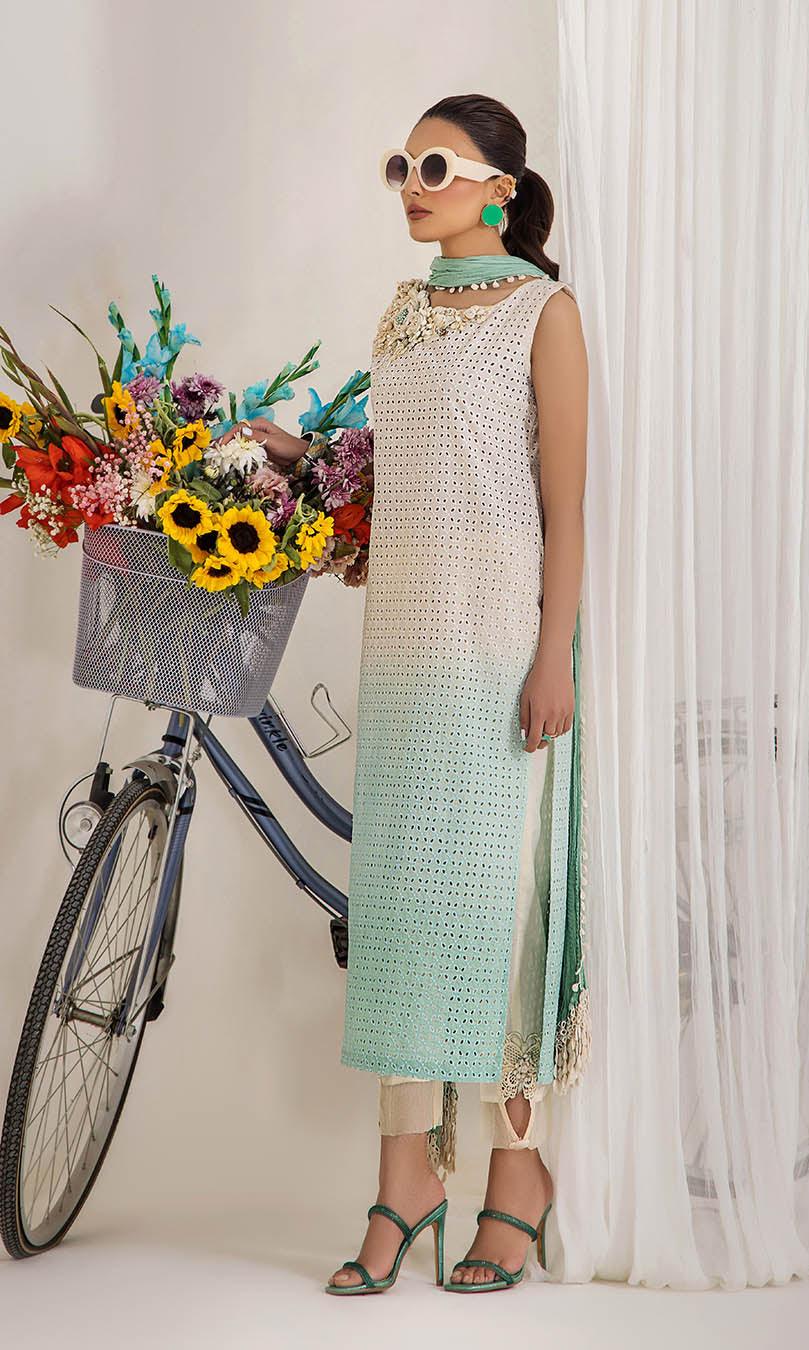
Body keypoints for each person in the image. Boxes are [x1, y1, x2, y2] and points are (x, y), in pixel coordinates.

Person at [229, 93, 589, 1294]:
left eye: (435, 166)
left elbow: (566, 504)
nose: (412, 187)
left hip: (500, 646)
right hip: (404, 648)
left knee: (497, 911)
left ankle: (518, 1175)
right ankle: (407, 1181)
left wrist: (555, 653)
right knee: (398, 915)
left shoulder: (545, 313)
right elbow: (411, 475)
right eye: (402, 166)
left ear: (500, 189)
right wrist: (302, 466)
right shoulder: (403, 311)